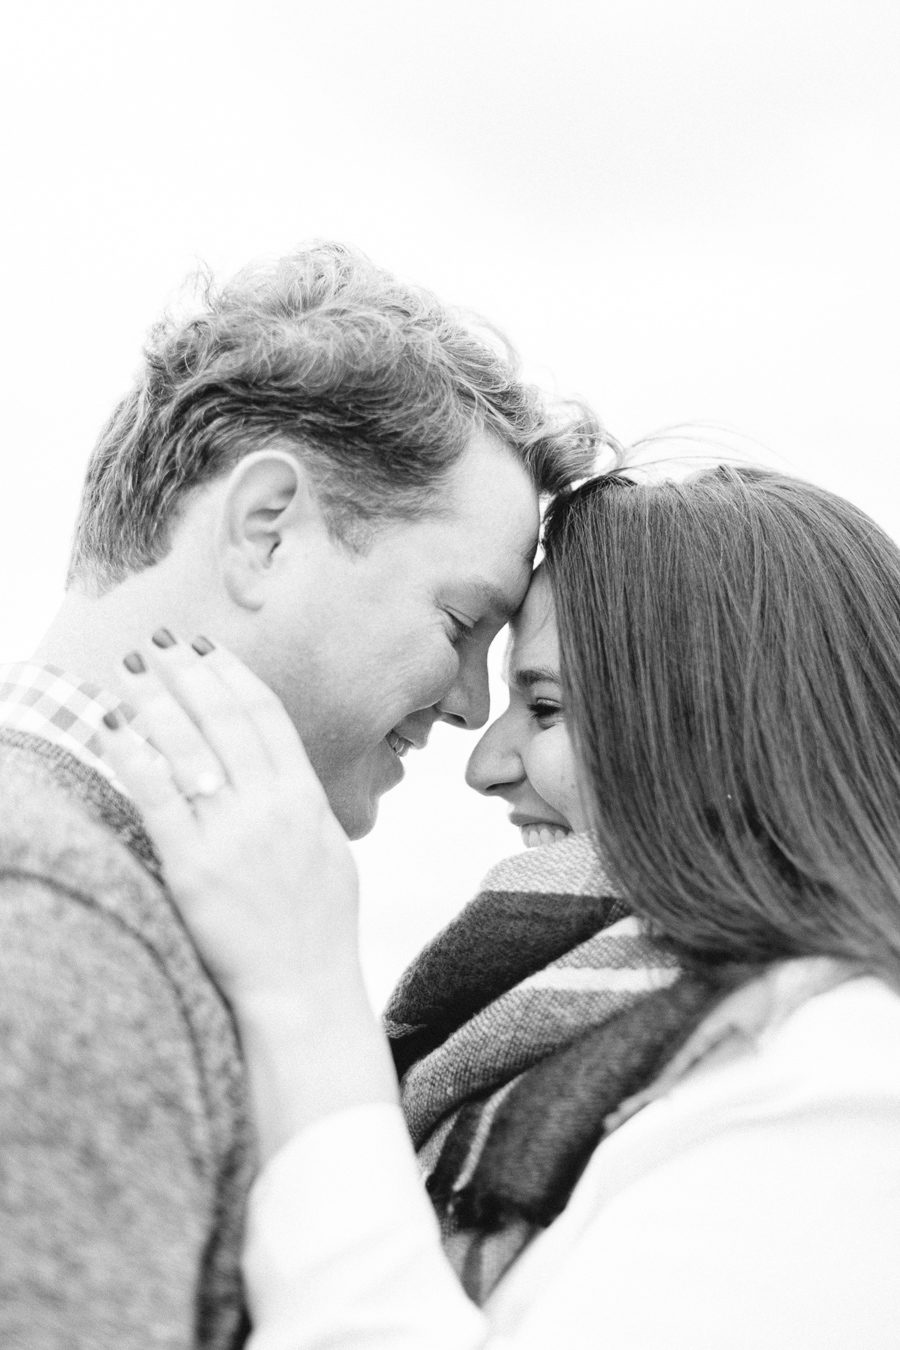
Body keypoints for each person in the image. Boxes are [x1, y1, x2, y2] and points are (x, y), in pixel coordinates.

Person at [101, 463, 900, 1348]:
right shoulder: (614, 1050)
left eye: (546, 706)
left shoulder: (843, 1089)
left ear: (725, 727)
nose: (486, 764)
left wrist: (305, 995)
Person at [0, 242, 604, 1349]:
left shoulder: (108, 891)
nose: (472, 709)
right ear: (266, 530)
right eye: (461, 624)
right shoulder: (50, 909)